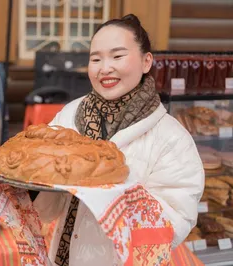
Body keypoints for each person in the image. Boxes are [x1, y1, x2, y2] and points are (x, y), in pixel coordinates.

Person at [32, 14, 205, 266]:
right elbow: (52, 206)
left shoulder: (171, 138)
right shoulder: (69, 116)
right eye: (95, 58)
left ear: (146, 62)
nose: (105, 68)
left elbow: (178, 217)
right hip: (65, 256)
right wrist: (34, 184)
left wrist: (117, 203)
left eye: (117, 56)